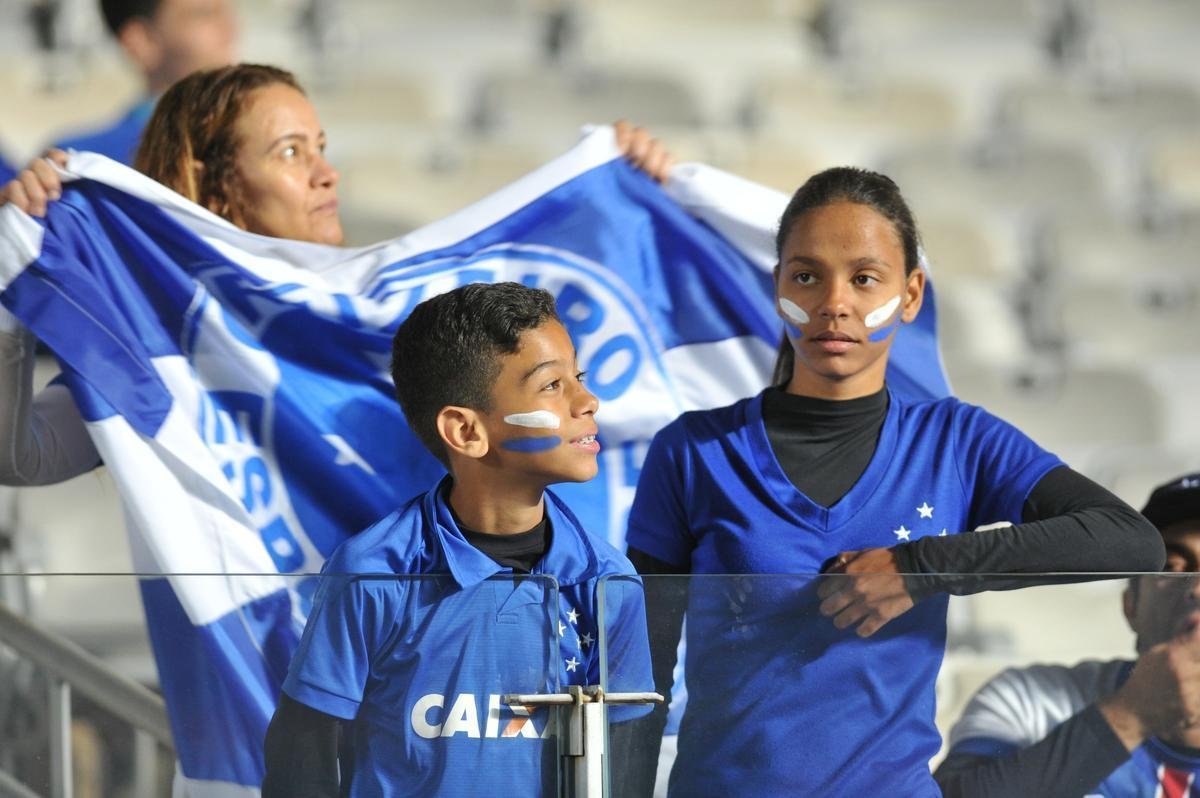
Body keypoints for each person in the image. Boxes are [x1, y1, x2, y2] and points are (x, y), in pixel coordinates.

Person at [622, 166, 1166, 795]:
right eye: (806, 276)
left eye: (863, 278)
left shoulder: (959, 440)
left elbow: (1130, 539)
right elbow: (642, 672)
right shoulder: (693, 450)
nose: (834, 303)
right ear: (777, 288)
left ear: (910, 295)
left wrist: (919, 567)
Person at [0, 62, 673, 488]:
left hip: (418, 688)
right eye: (291, 152)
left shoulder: (398, 309)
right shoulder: (161, 343)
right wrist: (11, 270)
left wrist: (625, 199)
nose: (327, 172)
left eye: (321, 147)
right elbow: (21, 457)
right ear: (215, 185)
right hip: (260, 698)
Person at [260, 282, 653, 796]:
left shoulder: (608, 582)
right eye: (552, 386)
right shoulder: (374, 571)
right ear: (465, 432)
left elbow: (624, 768)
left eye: (577, 376)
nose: (588, 400)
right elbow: (301, 761)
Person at [936, 472, 1200, 797]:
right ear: (1130, 605)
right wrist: (1130, 715)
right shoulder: (1032, 701)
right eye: (1173, 567)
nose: (1197, 589)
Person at [51, 0, 238, 165]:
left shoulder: (249, 135)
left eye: (224, 11)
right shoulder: (80, 163)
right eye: (203, 14)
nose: (229, 30)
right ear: (142, 41)